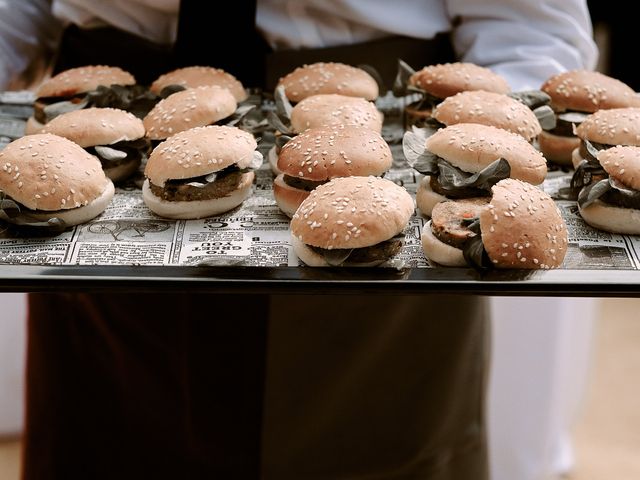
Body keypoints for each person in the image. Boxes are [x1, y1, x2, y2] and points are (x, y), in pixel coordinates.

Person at [0, 2, 597, 480]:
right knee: (110, 444)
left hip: (383, 152)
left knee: (379, 442)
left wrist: (479, 144)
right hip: (104, 135)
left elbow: (530, 27)